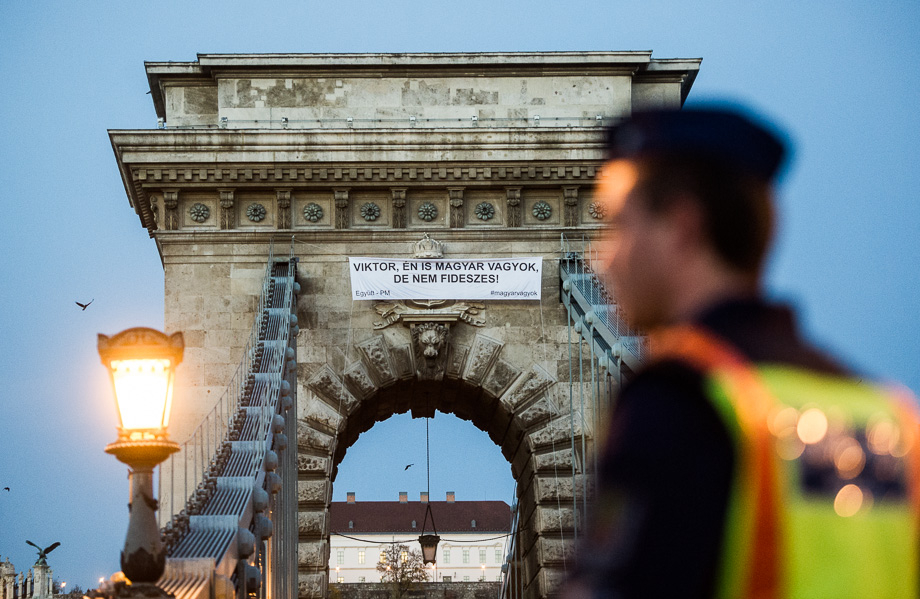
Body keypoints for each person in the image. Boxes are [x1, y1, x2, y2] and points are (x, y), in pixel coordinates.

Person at [566, 107, 920, 599]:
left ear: (682, 228)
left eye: (617, 225)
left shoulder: (685, 400)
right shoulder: (888, 415)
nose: (598, 256)